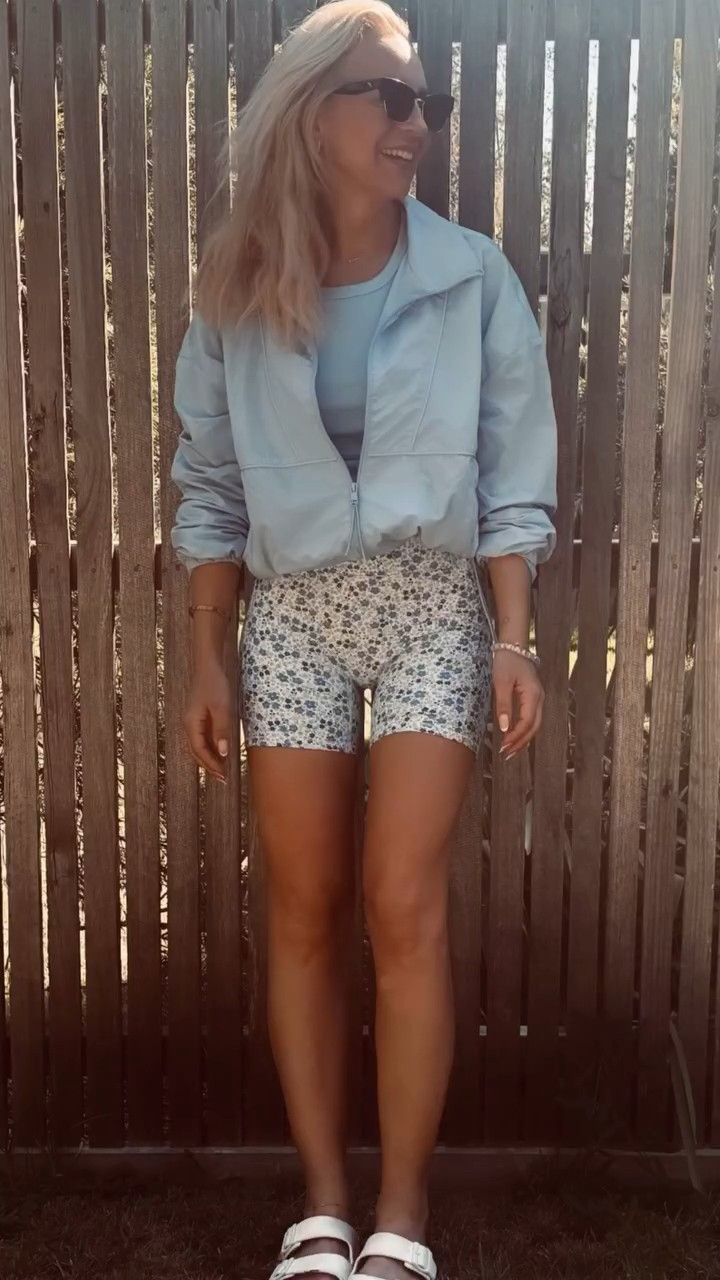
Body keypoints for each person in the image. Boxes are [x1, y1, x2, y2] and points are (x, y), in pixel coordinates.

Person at [170, 3, 557, 1277]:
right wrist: (208, 653)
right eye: (386, 97)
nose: (414, 124)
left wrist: (513, 637)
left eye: (423, 102)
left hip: (431, 606)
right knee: (302, 907)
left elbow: (514, 472)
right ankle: (324, 1210)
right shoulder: (236, 285)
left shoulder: (471, 276)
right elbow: (209, 485)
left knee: (404, 903)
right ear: (309, 111)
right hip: (290, 613)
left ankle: (402, 1215)